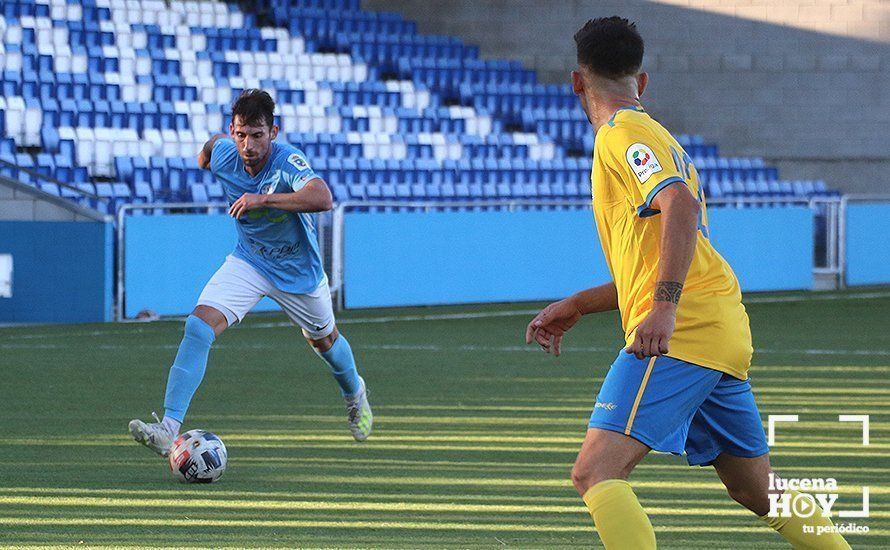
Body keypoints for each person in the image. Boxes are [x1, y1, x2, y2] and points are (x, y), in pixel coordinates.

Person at [525, 17, 849, 549]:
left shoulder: (622, 133)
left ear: (577, 82)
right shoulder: (659, 138)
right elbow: (667, 249)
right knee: (758, 490)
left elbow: (679, 205)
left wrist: (664, 310)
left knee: (595, 473)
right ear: (642, 80)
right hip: (717, 328)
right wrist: (580, 303)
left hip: (685, 332)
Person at [129, 89, 372, 456]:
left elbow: (322, 198)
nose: (248, 144)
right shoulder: (226, 152)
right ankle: (168, 428)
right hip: (251, 262)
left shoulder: (288, 160)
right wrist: (205, 155)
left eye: (257, 135)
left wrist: (263, 199)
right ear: (233, 130)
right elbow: (209, 151)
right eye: (241, 134)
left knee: (324, 342)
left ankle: (355, 393)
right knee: (198, 326)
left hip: (297, 271)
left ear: (273, 131)